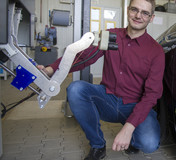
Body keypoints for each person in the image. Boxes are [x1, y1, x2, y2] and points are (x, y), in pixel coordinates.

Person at [38, 0, 165, 159]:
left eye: (145, 13)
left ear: (151, 17)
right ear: (128, 10)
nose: (138, 16)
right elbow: (83, 57)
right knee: (76, 89)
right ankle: (98, 145)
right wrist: (50, 69)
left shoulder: (156, 51)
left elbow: (152, 95)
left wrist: (128, 128)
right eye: (134, 10)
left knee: (149, 143)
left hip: (135, 105)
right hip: (108, 99)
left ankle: (134, 139)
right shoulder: (110, 35)